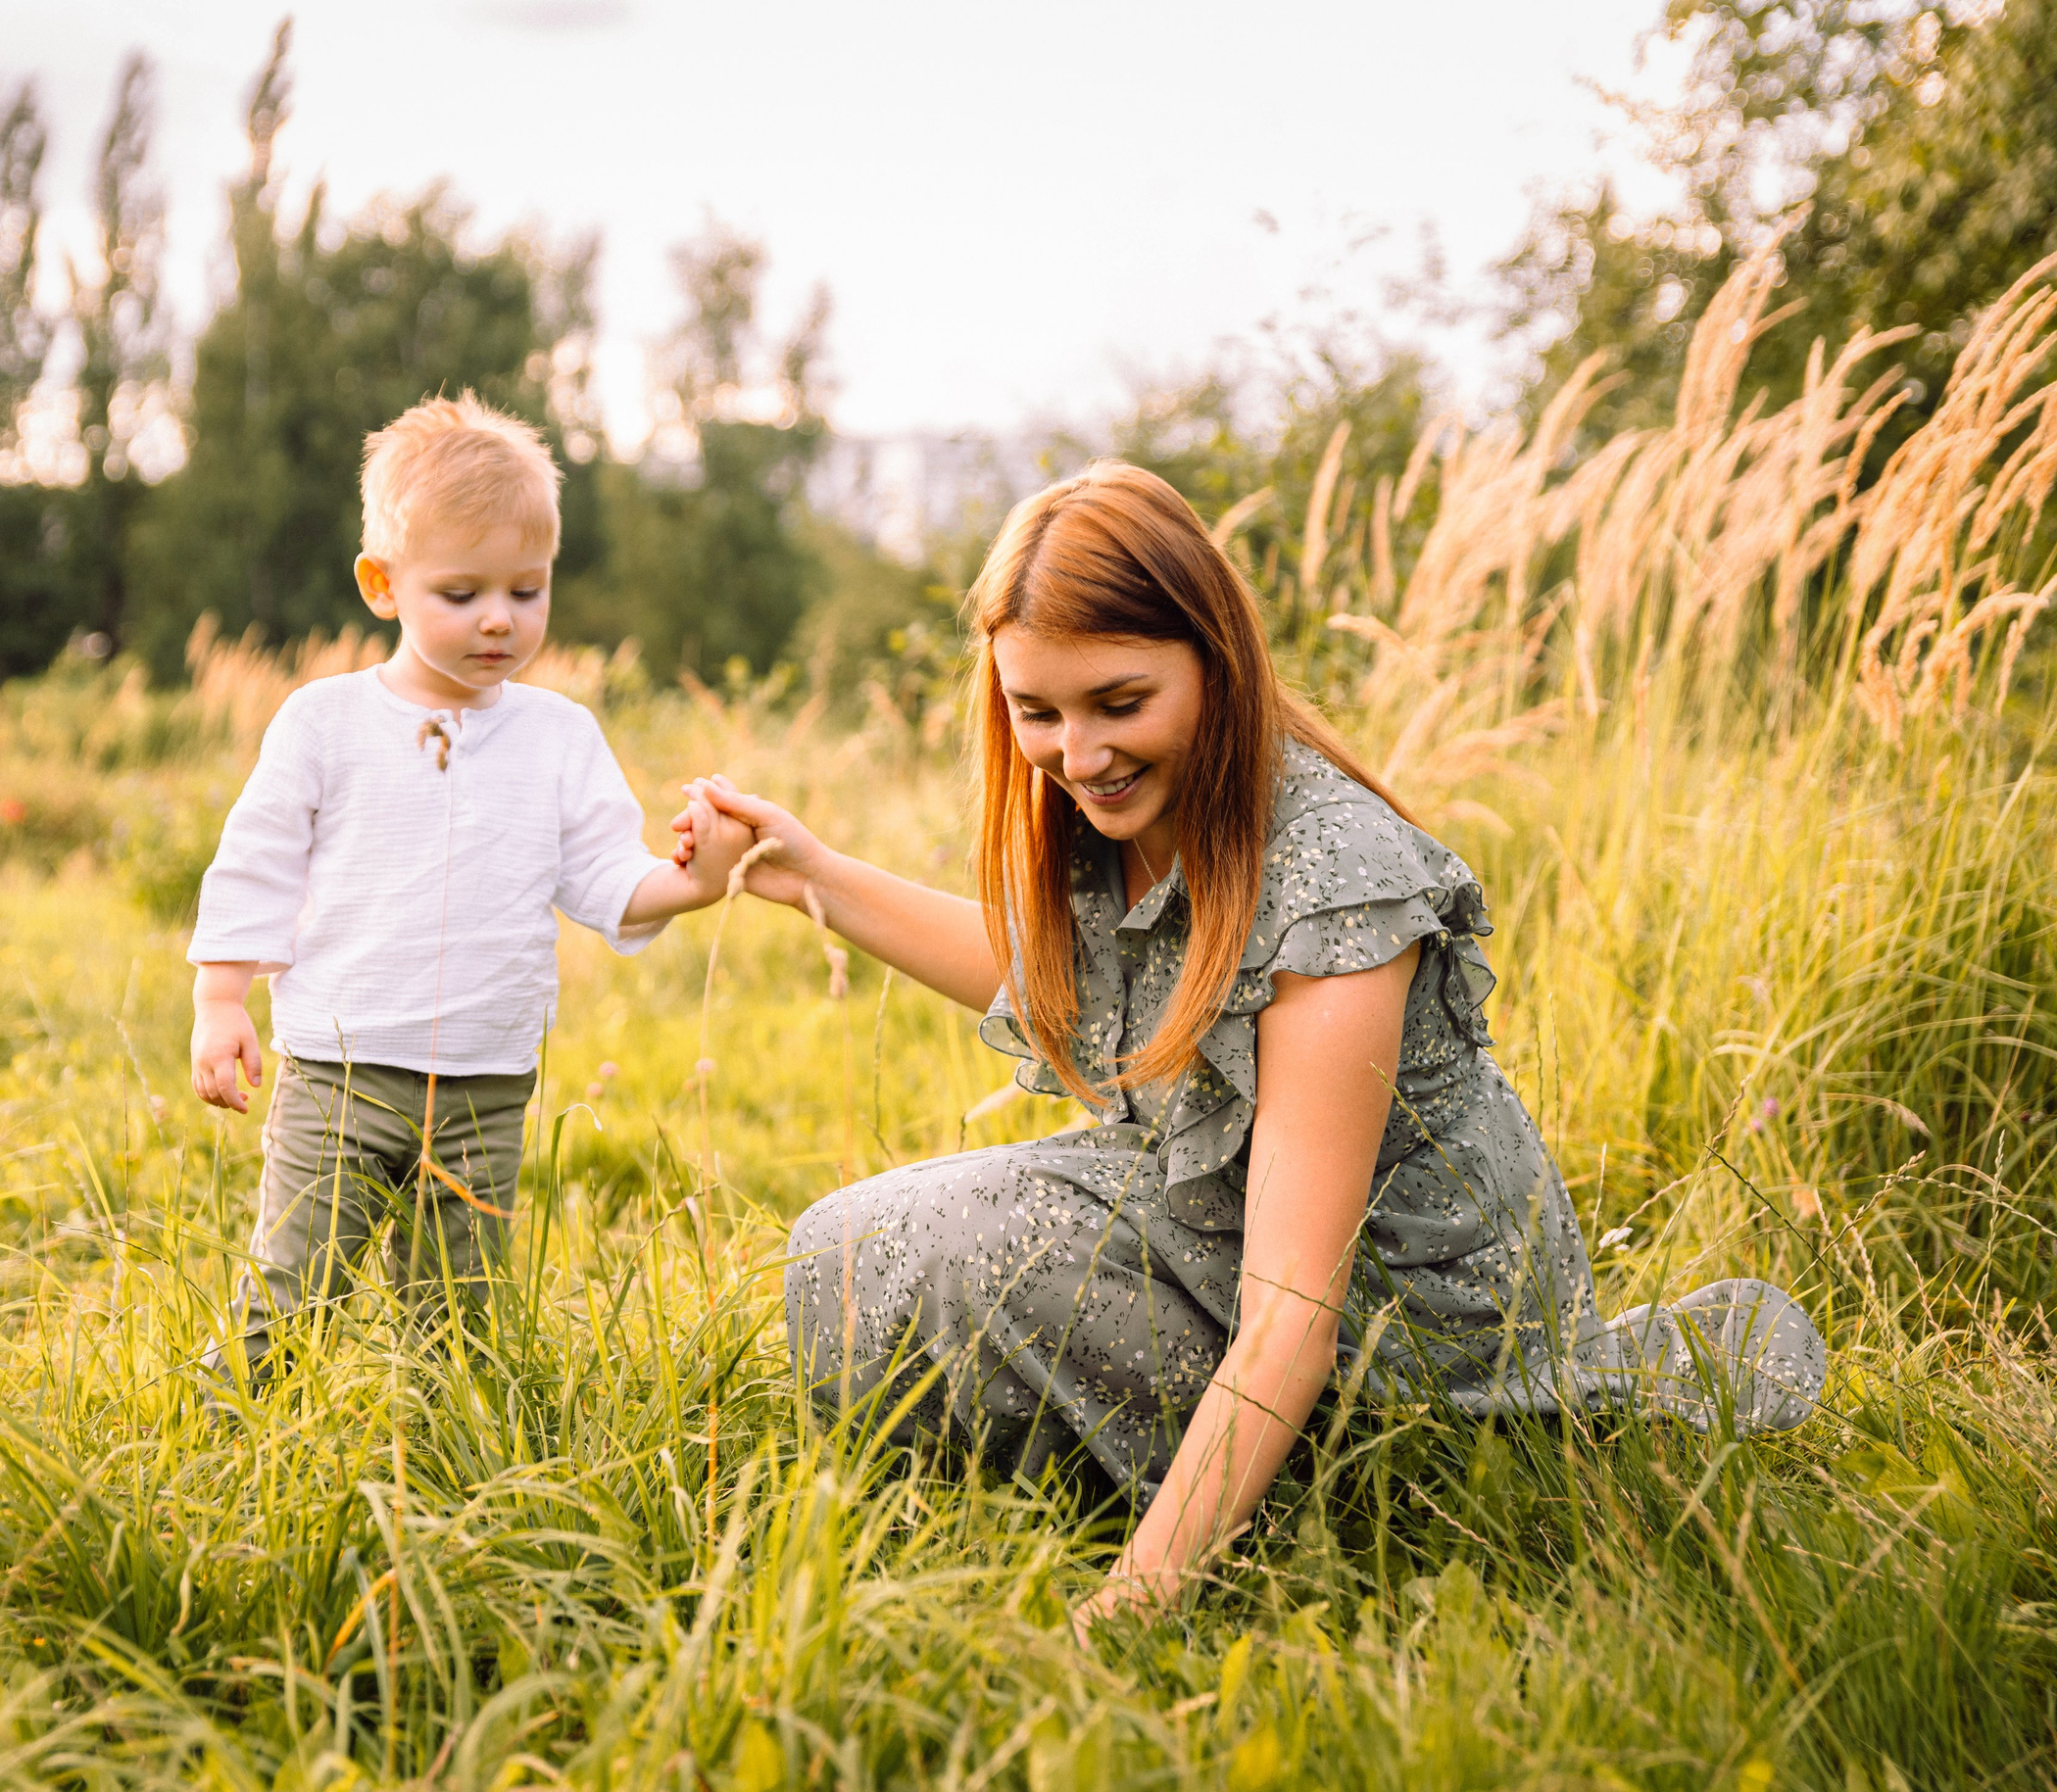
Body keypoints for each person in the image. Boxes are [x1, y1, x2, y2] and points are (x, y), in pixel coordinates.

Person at [686, 460, 1824, 1636]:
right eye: (1039, 710)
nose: (1077, 754)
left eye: (1119, 702)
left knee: (939, 1252)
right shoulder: (1124, 806)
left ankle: (1316, 1515)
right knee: (848, 1250)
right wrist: (805, 871)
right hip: (1218, 1232)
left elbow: (1292, 1311)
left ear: (1214, 664)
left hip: (1414, 1351)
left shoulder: (1335, 883)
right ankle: (1157, 1487)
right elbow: (1066, 981)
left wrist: (1130, 1608)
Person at [187, 393, 753, 1382]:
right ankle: (233, 1432)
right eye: (461, 592)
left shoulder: (558, 736)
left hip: (487, 1084)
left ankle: (451, 1462)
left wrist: (692, 880)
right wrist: (222, 996)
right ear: (383, 584)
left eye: (525, 590)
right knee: (294, 1284)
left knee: (461, 1316)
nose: (499, 617)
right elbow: (258, 860)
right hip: (340, 1071)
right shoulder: (324, 722)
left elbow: (605, 877)